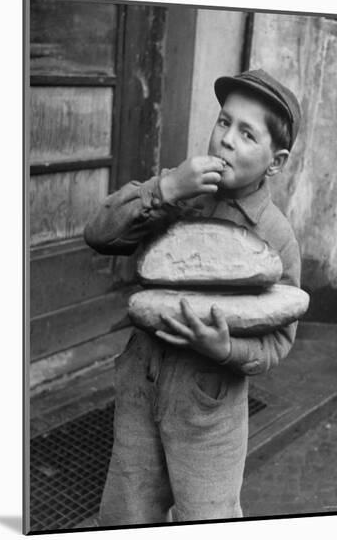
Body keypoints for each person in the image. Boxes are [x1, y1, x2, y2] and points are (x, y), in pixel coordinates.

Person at [84, 69, 302, 525]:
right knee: (127, 512)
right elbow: (99, 234)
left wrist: (227, 349)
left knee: (208, 517)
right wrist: (164, 189)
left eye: (247, 133)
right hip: (140, 387)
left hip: (210, 407)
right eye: (224, 122)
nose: (226, 140)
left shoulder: (277, 237)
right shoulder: (176, 194)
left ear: (275, 161)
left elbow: (279, 341)